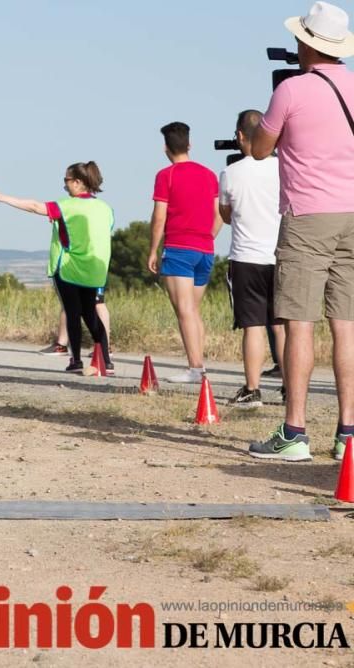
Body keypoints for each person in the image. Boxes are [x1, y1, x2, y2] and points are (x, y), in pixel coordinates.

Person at [248, 1, 354, 461]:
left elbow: (259, 150)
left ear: (305, 43)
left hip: (308, 216)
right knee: (347, 325)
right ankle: (348, 432)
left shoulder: (291, 89)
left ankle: (294, 431)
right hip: (353, 215)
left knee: (299, 323)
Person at [0, 162, 114, 375]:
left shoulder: (66, 206)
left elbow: (35, 207)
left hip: (69, 269)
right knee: (91, 314)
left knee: (73, 314)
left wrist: (3, 198)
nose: (64, 186)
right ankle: (105, 360)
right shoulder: (105, 208)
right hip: (95, 270)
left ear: (77, 182)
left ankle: (76, 361)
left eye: (66, 180)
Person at [218, 110, 284, 409]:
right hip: (281, 255)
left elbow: (226, 215)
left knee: (254, 326)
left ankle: (252, 389)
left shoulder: (231, 173)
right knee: (282, 324)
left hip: (246, 257)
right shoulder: (284, 167)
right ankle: (289, 386)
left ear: (240, 136)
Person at [147, 122, 220, 383]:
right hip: (205, 250)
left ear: (166, 148)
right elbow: (219, 214)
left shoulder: (166, 175)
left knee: (185, 310)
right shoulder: (209, 175)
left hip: (178, 249)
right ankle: (199, 366)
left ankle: (196, 368)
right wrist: (207, 237)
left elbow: (159, 216)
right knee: (193, 310)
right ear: (189, 144)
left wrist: (153, 249)